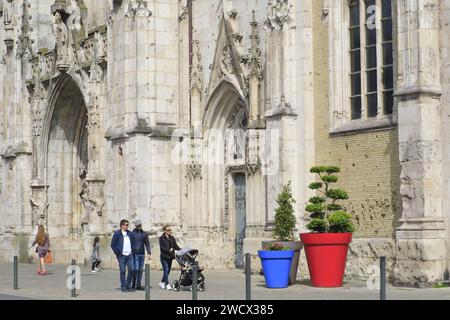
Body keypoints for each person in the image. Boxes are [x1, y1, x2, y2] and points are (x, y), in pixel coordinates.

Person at [111, 219, 136, 293]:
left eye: (128, 225)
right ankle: (123, 287)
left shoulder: (129, 233)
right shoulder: (117, 234)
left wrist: (133, 250)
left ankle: (128, 285)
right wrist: (118, 253)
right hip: (121, 255)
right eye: (126, 225)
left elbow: (133, 241)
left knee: (131, 270)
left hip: (130, 255)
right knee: (123, 271)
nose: (127, 226)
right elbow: (113, 245)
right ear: (122, 225)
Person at [131, 220, 151, 290]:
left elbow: (147, 243)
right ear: (136, 226)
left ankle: (138, 284)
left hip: (142, 254)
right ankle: (133, 284)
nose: (139, 226)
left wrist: (149, 252)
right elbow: (130, 243)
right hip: (135, 254)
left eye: (140, 225)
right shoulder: (132, 233)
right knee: (135, 269)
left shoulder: (144, 234)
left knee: (140, 270)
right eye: (138, 225)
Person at [159, 225, 180, 290]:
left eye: (170, 230)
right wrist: (168, 250)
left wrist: (181, 250)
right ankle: (167, 284)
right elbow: (162, 248)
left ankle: (162, 282)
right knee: (166, 270)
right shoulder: (161, 238)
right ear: (165, 231)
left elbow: (175, 246)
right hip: (164, 257)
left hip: (170, 257)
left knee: (168, 272)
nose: (169, 231)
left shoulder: (172, 238)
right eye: (168, 230)